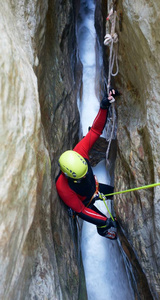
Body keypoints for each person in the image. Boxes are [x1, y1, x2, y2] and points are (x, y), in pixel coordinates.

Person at [56, 89, 119, 240]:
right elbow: (82, 211)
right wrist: (105, 221)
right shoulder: (63, 187)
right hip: (84, 201)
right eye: (81, 176)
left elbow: (96, 130)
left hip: (94, 187)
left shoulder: (80, 151)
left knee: (114, 192)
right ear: (69, 175)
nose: (85, 175)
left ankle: (105, 222)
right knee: (103, 223)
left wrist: (104, 106)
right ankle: (102, 230)